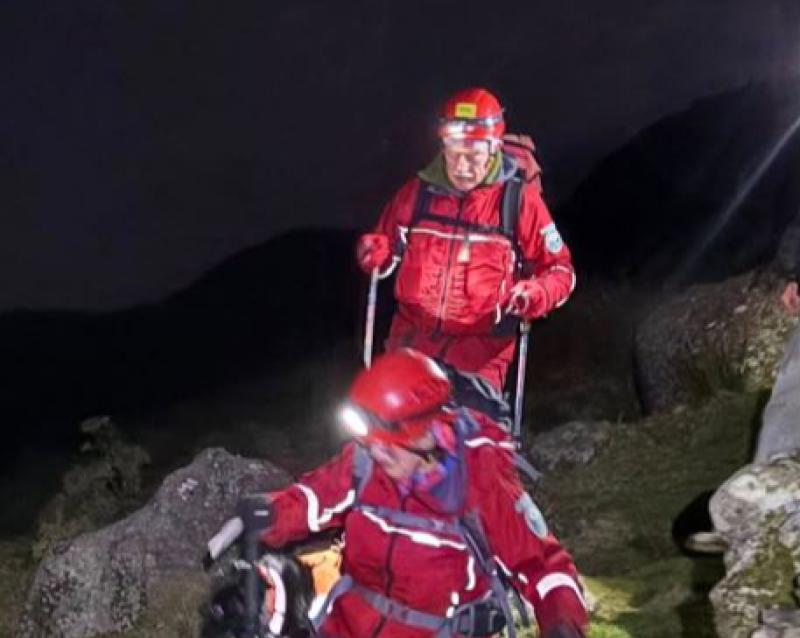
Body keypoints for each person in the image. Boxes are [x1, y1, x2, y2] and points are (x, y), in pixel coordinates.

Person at [237, 349, 588, 638]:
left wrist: (562, 624)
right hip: (346, 626)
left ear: (428, 434)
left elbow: (544, 566)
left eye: (390, 447)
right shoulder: (364, 463)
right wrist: (271, 513)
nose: (378, 455)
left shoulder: (481, 480)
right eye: (371, 444)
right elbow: (314, 498)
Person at [356, 88, 575, 391]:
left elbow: (561, 271)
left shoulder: (518, 203)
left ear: (494, 148)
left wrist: (537, 293)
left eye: (472, 157)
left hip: (481, 356)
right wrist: (376, 252)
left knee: (467, 436)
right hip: (410, 344)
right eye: (454, 153)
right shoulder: (416, 195)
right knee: (384, 433)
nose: (460, 167)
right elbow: (385, 247)